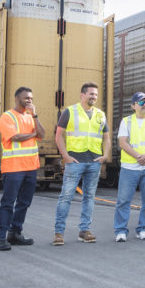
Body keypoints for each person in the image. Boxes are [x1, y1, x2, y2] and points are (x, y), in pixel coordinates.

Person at [52, 82, 111, 246]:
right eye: (91, 94)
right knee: (66, 197)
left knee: (89, 197)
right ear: (82, 95)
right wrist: (66, 156)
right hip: (75, 161)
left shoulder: (100, 114)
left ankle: (84, 231)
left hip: (94, 162)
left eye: (96, 94)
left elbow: (106, 137)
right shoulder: (70, 112)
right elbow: (59, 136)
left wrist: (105, 155)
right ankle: (59, 233)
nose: (94, 97)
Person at [0, 86, 44, 250]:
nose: (29, 100)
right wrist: (33, 134)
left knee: (24, 202)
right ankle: (0, 237)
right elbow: (15, 137)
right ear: (17, 99)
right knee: (8, 203)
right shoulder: (7, 117)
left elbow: (42, 135)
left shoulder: (31, 116)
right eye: (26, 98)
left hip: (31, 167)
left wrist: (35, 116)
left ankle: (15, 233)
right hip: (14, 167)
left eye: (31, 98)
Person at [114, 92, 145, 242]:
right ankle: (121, 231)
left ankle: (143, 229)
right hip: (130, 167)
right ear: (133, 106)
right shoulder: (126, 121)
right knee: (123, 200)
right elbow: (123, 142)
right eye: (141, 102)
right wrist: (138, 156)